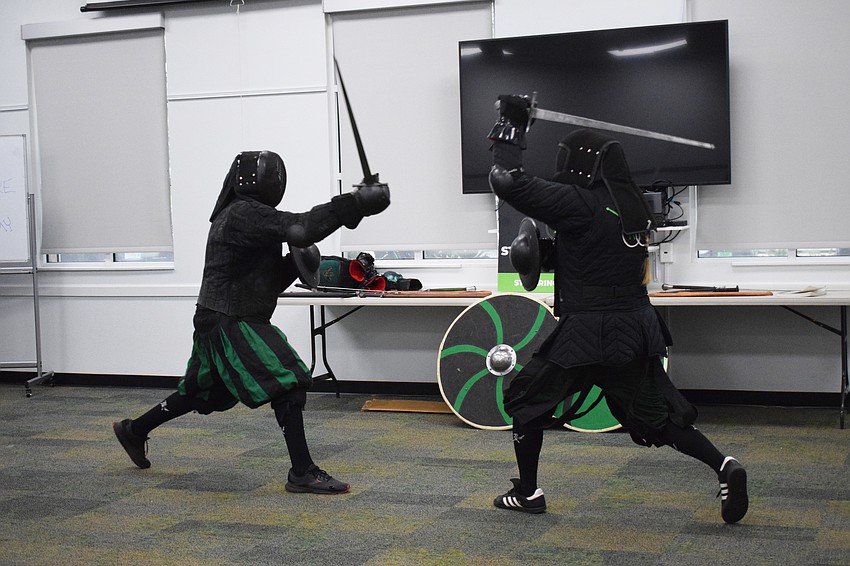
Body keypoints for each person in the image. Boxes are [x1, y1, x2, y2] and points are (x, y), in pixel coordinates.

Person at [486, 95, 748, 523]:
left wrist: (510, 126)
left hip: (588, 331)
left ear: (581, 162)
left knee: (527, 400)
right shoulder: (631, 206)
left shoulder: (578, 202)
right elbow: (592, 252)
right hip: (633, 329)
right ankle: (724, 466)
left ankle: (529, 492)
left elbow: (507, 181)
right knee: (654, 416)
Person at [113, 150, 389, 494]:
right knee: (289, 379)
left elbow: (261, 282)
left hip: (219, 317)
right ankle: (302, 472)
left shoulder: (246, 218)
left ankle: (134, 430)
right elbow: (301, 228)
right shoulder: (244, 213)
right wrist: (354, 203)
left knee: (203, 391)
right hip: (231, 320)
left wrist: (293, 264)